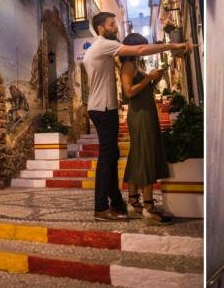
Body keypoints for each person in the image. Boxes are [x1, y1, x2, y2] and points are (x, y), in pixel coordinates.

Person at [82, 12, 193, 221]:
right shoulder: (104, 45)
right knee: (107, 158)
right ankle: (100, 207)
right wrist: (173, 46)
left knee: (112, 156)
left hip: (102, 107)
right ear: (100, 28)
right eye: (112, 24)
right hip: (104, 108)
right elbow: (140, 49)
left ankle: (116, 203)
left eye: (115, 23)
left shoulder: (96, 48)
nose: (116, 27)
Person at [120, 33, 171, 223]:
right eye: (142, 46)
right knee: (146, 155)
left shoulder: (135, 64)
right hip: (140, 114)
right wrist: (148, 77)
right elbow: (128, 92)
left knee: (138, 155)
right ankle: (149, 206)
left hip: (146, 112)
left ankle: (134, 202)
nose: (145, 49)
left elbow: (142, 88)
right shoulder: (128, 65)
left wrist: (153, 79)